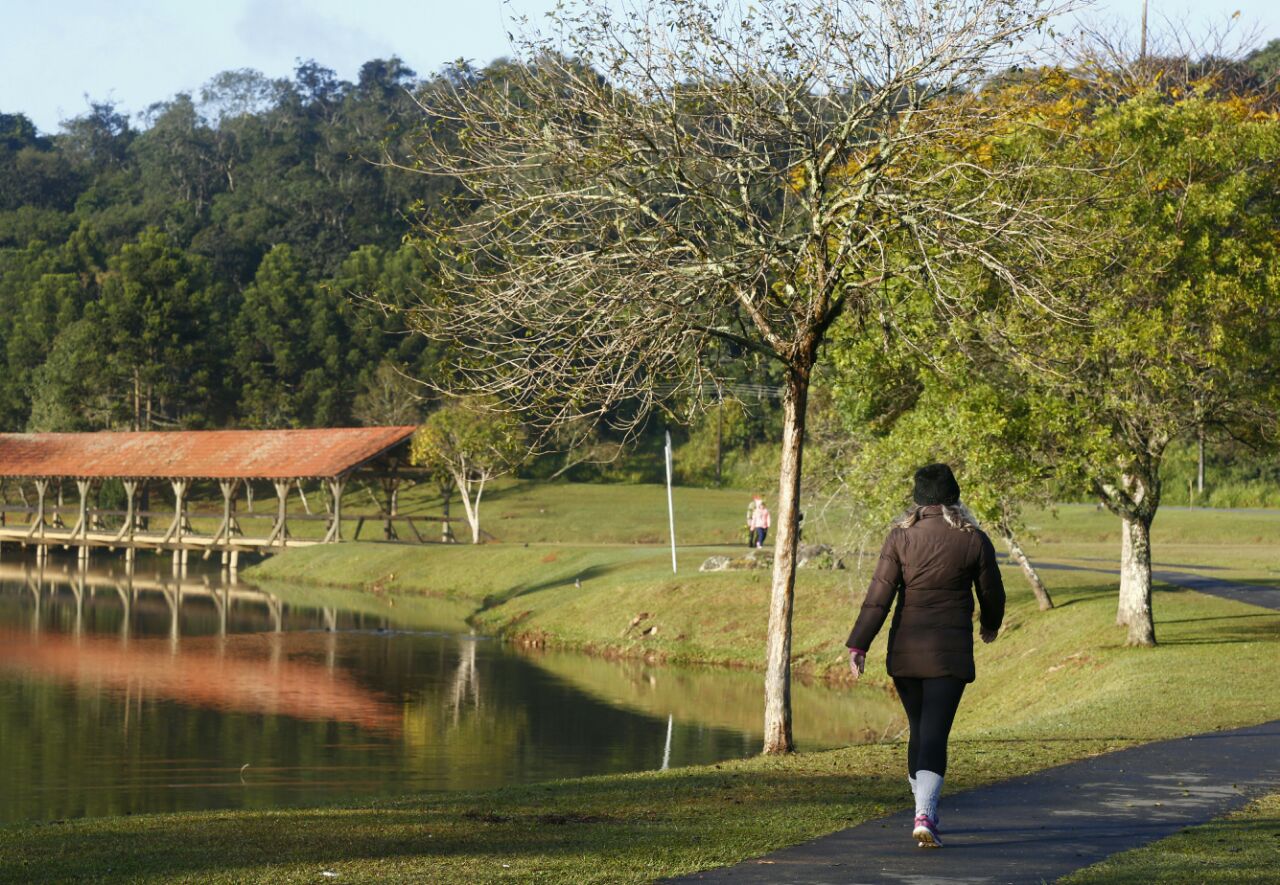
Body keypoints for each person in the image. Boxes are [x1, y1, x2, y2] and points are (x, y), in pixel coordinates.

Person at [845, 463, 1004, 849]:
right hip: (949, 656)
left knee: (920, 730)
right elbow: (992, 592)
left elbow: (878, 597)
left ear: (918, 500)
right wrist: (991, 624)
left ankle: (923, 808)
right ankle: (925, 814)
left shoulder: (899, 538)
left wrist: (859, 644)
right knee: (934, 731)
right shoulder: (974, 539)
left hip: (906, 651)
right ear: (955, 497)